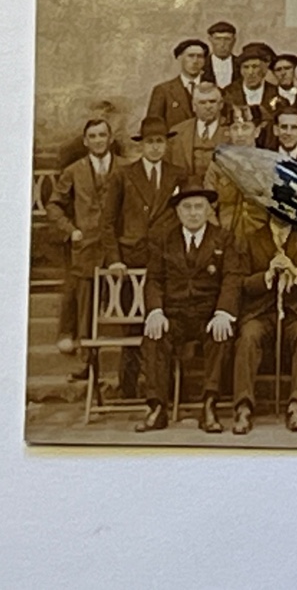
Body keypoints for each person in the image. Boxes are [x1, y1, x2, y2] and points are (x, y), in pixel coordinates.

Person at [135, 178, 242, 433]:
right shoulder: (164, 239)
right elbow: (154, 279)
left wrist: (223, 312)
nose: (193, 213)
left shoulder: (223, 239)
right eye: (187, 207)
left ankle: (209, 404)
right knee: (154, 336)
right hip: (175, 315)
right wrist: (155, 311)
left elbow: (232, 278)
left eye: (198, 207)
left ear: (208, 210)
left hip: (208, 315)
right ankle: (157, 407)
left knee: (221, 335)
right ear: (178, 211)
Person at [101, 116, 188, 399]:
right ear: (141, 145)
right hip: (131, 261)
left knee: (164, 323)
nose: (155, 147)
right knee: (133, 326)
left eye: (160, 142)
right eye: (150, 142)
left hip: (165, 261)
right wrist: (115, 259)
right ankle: (128, 389)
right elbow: (107, 222)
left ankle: (165, 391)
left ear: (167, 144)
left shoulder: (178, 175)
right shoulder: (124, 175)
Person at [231, 212, 297, 434]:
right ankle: (243, 406)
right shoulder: (252, 239)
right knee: (248, 336)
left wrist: (296, 273)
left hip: (296, 314)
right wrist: (266, 276)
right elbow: (242, 283)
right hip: (261, 313)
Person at [46, 118, 121, 366]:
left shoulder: (125, 168)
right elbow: (54, 205)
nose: (98, 140)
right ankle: (87, 362)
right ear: (85, 141)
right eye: (93, 136)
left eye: (102, 135)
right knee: (85, 298)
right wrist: (71, 230)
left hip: (117, 245)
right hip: (86, 244)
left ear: (111, 138)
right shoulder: (74, 171)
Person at [203, 105, 266, 246]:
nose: (240, 134)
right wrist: (218, 233)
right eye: (235, 128)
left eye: (245, 128)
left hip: (261, 239)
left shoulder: (268, 165)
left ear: (257, 131)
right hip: (227, 238)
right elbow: (208, 205)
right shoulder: (218, 165)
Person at [166, 82, 228, 177]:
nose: (208, 107)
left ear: (221, 104)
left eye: (212, 101)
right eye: (202, 102)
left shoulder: (233, 130)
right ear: (194, 106)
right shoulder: (177, 132)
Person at [146, 38, 208, 125]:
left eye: (200, 56)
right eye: (190, 56)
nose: (195, 61)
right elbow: (153, 126)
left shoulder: (214, 89)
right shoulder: (163, 91)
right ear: (179, 58)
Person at [222, 42, 278, 125]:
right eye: (246, 67)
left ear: (264, 70)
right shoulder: (228, 93)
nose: (250, 72)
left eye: (255, 67)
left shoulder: (276, 93)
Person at [202, 21, 238, 89]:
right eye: (217, 39)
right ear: (210, 39)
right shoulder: (201, 65)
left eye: (227, 39)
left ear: (234, 40)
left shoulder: (241, 65)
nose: (222, 44)